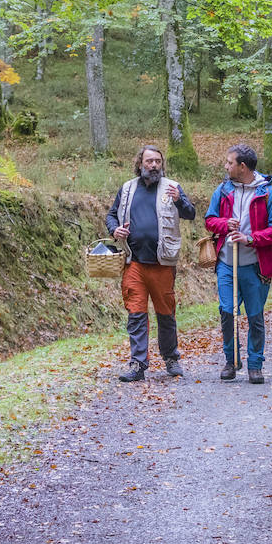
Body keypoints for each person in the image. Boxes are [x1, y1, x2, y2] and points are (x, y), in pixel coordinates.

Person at [106, 144, 197, 382]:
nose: (154, 165)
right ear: (140, 164)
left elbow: (190, 214)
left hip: (162, 263)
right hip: (133, 262)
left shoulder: (173, 187)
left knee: (165, 313)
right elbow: (111, 215)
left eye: (158, 161)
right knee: (135, 314)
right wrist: (115, 230)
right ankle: (138, 364)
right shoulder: (127, 189)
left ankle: (171, 358)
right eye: (149, 161)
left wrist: (180, 202)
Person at [204, 143, 272, 384]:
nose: (226, 166)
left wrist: (251, 239)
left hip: (256, 265)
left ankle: (255, 364)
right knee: (227, 312)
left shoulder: (268, 193)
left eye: (229, 163)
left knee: (255, 315)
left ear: (242, 166)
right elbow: (210, 220)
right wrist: (224, 224)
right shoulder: (222, 190)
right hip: (227, 263)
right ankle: (231, 361)